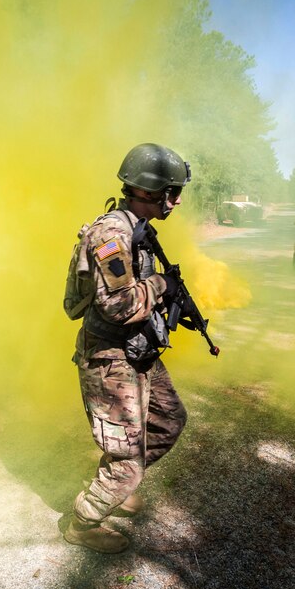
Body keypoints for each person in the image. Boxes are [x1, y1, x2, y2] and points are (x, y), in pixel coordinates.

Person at [62, 143, 191, 554]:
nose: (177, 200)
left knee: (169, 421)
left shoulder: (138, 228)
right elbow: (118, 306)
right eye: (173, 191)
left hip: (138, 351)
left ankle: (118, 478)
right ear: (151, 192)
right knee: (128, 464)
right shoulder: (112, 235)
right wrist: (161, 286)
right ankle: (84, 520)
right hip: (111, 358)